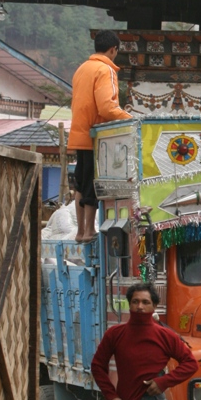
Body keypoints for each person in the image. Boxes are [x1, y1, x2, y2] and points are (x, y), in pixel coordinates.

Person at [67, 29, 132, 242]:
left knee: (80, 184)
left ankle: (80, 231)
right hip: (97, 138)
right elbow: (106, 107)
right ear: (113, 50)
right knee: (93, 187)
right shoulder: (105, 70)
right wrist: (130, 118)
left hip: (80, 134)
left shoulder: (81, 69)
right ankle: (88, 231)